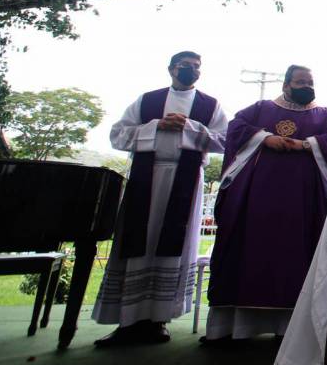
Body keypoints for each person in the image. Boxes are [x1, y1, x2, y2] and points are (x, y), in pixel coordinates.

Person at [203, 65, 327, 344]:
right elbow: (236, 129)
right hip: (256, 199)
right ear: (285, 85)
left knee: (296, 254)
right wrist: (265, 138)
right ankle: (234, 327)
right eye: (300, 81)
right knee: (247, 251)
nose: (306, 86)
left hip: (303, 202)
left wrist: (306, 145)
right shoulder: (260, 109)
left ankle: (289, 329)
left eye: (310, 81)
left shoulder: (324, 115)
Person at [93, 51, 228, 347]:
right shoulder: (147, 100)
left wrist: (189, 127)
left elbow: (225, 141)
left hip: (185, 181)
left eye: (196, 67)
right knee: (136, 244)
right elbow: (117, 135)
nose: (191, 71)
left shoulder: (210, 105)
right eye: (185, 66)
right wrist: (156, 126)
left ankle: (158, 320)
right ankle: (127, 321)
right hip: (146, 179)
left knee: (171, 247)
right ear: (171, 69)